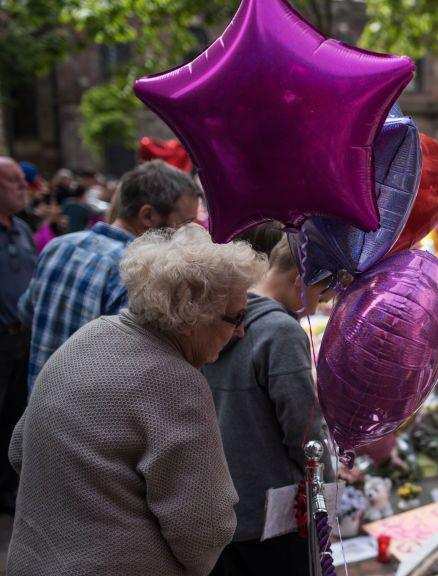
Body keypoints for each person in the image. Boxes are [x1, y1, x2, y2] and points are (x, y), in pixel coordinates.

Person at [7, 224, 266, 576]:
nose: (240, 331)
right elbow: (205, 529)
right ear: (194, 315)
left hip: (32, 561)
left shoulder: (89, 336)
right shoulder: (177, 382)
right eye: (236, 317)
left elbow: (19, 448)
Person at [204, 235, 333, 576]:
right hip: (271, 514)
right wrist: (328, 488)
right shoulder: (281, 331)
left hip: (223, 504)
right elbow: (302, 432)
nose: (319, 307)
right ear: (299, 281)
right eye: (320, 294)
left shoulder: (219, 316)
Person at [19, 160, 201, 393]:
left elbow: (26, 312)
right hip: (90, 421)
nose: (186, 234)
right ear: (148, 215)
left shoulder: (58, 246)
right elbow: (141, 369)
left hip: (38, 415)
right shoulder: (138, 275)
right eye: (184, 224)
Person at [0, 158, 35, 514]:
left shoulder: (23, 231)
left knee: (13, 415)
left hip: (20, 338)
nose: (23, 185)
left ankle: (6, 489)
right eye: (13, 181)